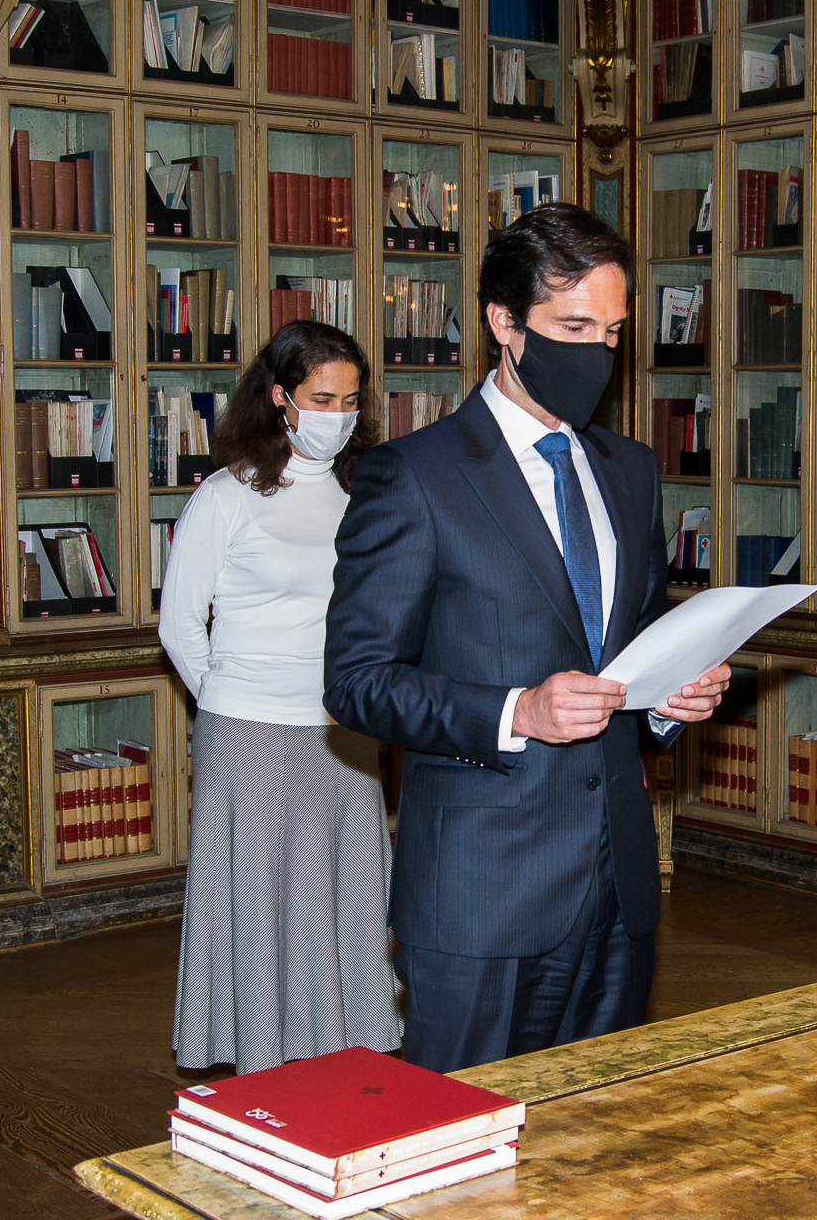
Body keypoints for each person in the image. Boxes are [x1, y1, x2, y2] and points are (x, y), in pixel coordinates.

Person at [324, 202, 729, 1073]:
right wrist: (518, 712)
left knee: (599, 1130)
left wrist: (673, 697)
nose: (597, 354)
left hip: (618, 886)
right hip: (483, 892)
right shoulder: (414, 476)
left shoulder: (630, 472)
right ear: (503, 323)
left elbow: (633, 644)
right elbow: (357, 681)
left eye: (612, 333)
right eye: (573, 328)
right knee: (465, 1136)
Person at [159, 320, 402, 1074]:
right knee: (258, 898)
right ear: (279, 397)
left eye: (351, 402)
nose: (338, 416)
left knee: (348, 888)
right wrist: (230, 701)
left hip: (342, 725)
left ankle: (349, 1040)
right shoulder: (225, 496)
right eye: (321, 399)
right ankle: (260, 1052)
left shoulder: (367, 493)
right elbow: (179, 625)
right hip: (248, 726)